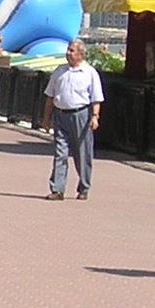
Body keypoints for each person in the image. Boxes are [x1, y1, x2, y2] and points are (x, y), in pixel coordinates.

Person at [41, 39, 103, 199]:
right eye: (68, 50)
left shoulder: (89, 73)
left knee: (82, 153)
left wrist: (95, 116)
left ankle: (84, 187)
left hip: (80, 115)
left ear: (81, 54)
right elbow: (50, 96)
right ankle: (57, 189)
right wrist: (46, 118)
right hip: (60, 114)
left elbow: (96, 98)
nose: (68, 53)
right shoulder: (60, 71)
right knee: (60, 152)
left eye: (72, 51)